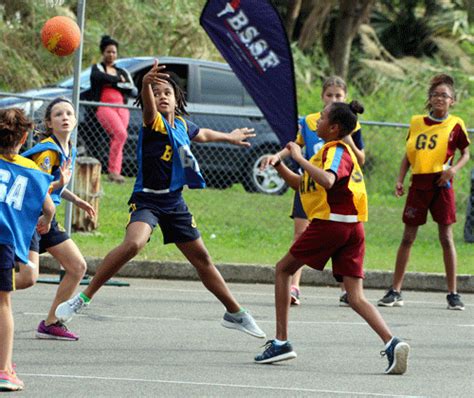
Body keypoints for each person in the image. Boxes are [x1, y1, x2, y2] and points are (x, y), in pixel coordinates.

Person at [55, 59, 265, 340]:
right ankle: (83, 298)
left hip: (174, 202)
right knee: (133, 243)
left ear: (177, 98)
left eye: (167, 92)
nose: (161, 96)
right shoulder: (152, 122)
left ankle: (236, 313)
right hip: (147, 200)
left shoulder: (181, 125)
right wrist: (145, 85)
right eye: (156, 93)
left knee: (202, 258)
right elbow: (149, 103)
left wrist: (229, 136)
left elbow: (202, 134)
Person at [254, 101, 410, 375]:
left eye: (323, 116)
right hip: (350, 229)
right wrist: (279, 165)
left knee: (283, 269)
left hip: (332, 225)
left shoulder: (338, 150)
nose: (317, 119)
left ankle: (281, 342)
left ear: (334, 127)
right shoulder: (325, 153)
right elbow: (302, 185)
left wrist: (298, 157)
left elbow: (328, 181)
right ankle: (392, 343)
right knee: (355, 297)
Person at [261, 76, 365, 307]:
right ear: (322, 96)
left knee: (339, 242)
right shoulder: (310, 122)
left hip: (334, 195)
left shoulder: (348, 130)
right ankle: (295, 286)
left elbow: (358, 161)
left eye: (338, 95)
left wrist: (346, 137)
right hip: (309, 186)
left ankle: (347, 291)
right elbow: (294, 147)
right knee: (300, 238)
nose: (334, 98)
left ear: (345, 98)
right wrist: (278, 159)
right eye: (330, 95)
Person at [378, 74, 470, 310]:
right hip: (418, 183)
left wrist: (454, 170)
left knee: (446, 238)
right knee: (408, 237)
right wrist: (399, 180)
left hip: (441, 183)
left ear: (453, 101)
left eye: (445, 95)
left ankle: (453, 293)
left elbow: (466, 154)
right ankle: (395, 290)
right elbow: (408, 156)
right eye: (436, 95)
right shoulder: (417, 122)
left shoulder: (455, 124)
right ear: (429, 99)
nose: (440, 98)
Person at [21, 97, 96, 341]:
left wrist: (77, 200)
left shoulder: (69, 148)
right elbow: (38, 188)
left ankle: (51, 322)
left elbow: (54, 186)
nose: (65, 117)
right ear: (49, 123)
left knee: (77, 267)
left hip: (45, 217)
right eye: (58, 115)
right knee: (24, 277)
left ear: (75, 120)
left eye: (69, 113)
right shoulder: (47, 151)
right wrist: (49, 208)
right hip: (28, 218)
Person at [0, 108, 55, 391]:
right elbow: (49, 207)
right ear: (24, 137)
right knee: (2, 303)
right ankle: (4, 370)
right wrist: (45, 220)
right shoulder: (31, 169)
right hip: (3, 239)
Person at [90, 35, 137, 183]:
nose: (111, 55)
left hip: (121, 107)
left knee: (120, 138)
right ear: (103, 53)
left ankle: (116, 171)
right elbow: (98, 77)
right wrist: (117, 81)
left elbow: (131, 88)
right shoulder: (98, 68)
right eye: (108, 52)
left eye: (114, 52)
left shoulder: (122, 71)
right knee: (120, 134)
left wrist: (113, 82)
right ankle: (113, 171)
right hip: (105, 106)